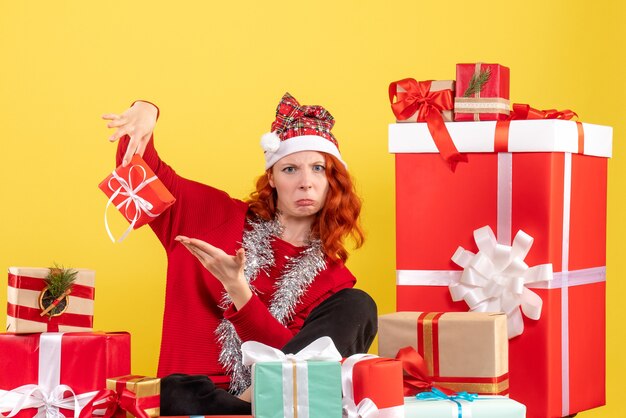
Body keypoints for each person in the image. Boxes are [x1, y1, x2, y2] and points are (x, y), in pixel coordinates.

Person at [102, 93, 377, 415]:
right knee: (171, 390)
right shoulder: (212, 215)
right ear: (271, 178)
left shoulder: (332, 279)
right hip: (196, 397)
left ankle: (246, 404)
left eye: (318, 168)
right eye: (290, 169)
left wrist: (238, 290)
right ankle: (243, 409)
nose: (305, 183)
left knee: (359, 304)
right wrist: (146, 111)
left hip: (271, 399)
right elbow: (139, 172)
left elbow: (291, 361)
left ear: (332, 181)